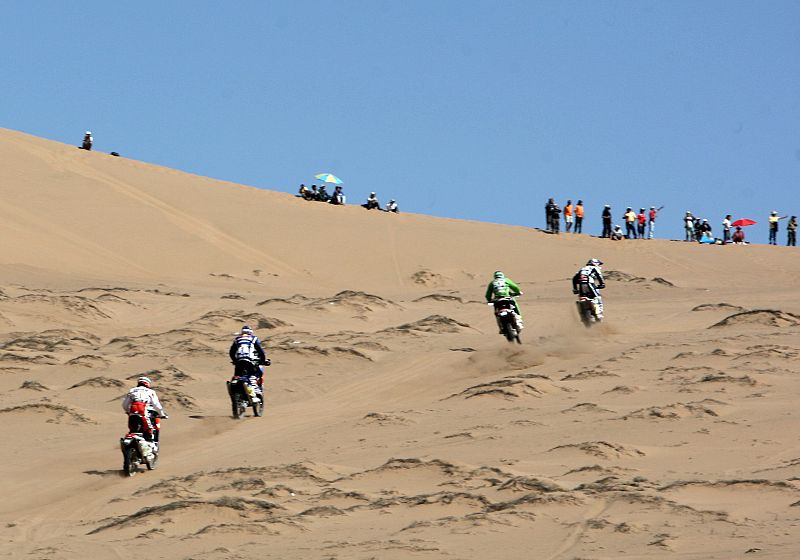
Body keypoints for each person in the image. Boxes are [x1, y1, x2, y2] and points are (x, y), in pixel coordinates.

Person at [121, 376, 168, 445]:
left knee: (132, 430)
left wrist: (128, 411)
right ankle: (150, 446)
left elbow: (124, 404)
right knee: (149, 432)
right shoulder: (150, 391)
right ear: (148, 384)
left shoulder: (132, 390)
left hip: (132, 413)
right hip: (144, 413)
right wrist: (162, 414)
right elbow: (156, 405)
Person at [229, 325, 270, 402]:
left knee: (237, 376)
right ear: (250, 332)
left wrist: (234, 360)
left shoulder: (237, 339)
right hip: (250, 361)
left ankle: (235, 391)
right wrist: (264, 360)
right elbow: (260, 351)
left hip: (239, 362)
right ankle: (253, 396)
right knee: (251, 377)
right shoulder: (254, 339)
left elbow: (231, 352)